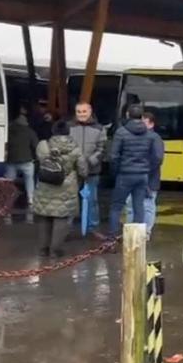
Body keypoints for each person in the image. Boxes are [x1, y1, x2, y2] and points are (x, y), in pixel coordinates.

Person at [32, 119, 88, 258]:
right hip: (66, 188)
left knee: (45, 217)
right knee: (61, 219)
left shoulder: (43, 145)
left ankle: (43, 249)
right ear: (68, 132)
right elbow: (83, 171)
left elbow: (41, 160)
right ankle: (55, 250)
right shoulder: (75, 149)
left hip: (45, 185)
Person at [105, 104, 159, 240]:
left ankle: (111, 238)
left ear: (128, 115)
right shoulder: (149, 134)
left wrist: (115, 172)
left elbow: (114, 156)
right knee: (138, 206)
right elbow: (155, 157)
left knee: (116, 207)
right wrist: (147, 169)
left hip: (125, 174)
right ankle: (137, 238)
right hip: (142, 175)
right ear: (141, 117)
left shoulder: (121, 132)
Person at [69, 102, 107, 232]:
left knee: (92, 200)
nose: (81, 114)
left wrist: (89, 161)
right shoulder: (69, 127)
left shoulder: (99, 128)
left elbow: (102, 149)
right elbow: (65, 147)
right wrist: (75, 162)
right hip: (72, 171)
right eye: (79, 112)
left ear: (90, 112)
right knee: (70, 200)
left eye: (84, 111)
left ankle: (93, 227)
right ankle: (67, 228)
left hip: (92, 171)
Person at [125, 112, 164, 237]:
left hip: (149, 178)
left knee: (147, 206)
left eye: (144, 123)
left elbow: (158, 158)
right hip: (133, 176)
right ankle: (131, 231)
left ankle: (145, 232)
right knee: (131, 204)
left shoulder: (155, 138)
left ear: (151, 124)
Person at [5, 111, 39, 224]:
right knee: (29, 180)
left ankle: (8, 198)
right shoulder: (30, 131)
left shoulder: (8, 131)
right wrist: (35, 158)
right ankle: (30, 199)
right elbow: (36, 145)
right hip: (27, 160)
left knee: (9, 182)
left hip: (11, 160)